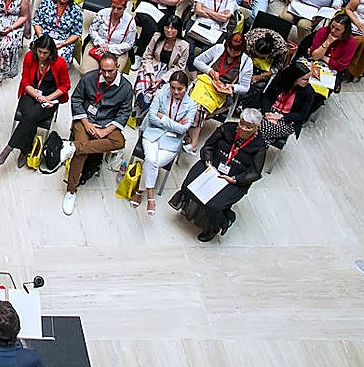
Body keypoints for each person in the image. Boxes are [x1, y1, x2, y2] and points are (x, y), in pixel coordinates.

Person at [170, 109, 267, 241]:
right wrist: (209, 164)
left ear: (257, 127)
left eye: (249, 127)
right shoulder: (227, 128)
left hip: (233, 179)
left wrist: (233, 180)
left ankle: (217, 225)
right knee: (188, 186)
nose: (243, 129)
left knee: (213, 205)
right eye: (241, 124)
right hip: (213, 167)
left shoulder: (259, 146)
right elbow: (208, 147)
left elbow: (255, 172)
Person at [62, 54, 132, 215]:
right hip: (86, 119)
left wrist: (105, 131)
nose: (106, 75)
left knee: (119, 142)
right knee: (81, 156)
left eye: (110, 71)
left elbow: (124, 113)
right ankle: (71, 191)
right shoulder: (89, 78)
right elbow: (76, 100)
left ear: (118, 68)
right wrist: (86, 122)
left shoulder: (126, 88)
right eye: (103, 71)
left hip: (107, 123)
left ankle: (73, 147)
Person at [0, 35, 70, 168]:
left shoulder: (60, 63)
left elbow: (65, 87)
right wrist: (36, 96)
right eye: (39, 51)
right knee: (30, 117)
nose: (42, 55)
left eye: (45, 53)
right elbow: (25, 81)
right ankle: (25, 150)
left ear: (51, 52)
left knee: (29, 116)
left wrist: (48, 98)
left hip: (50, 97)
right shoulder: (30, 57)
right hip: (31, 93)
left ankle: (9, 147)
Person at [131, 70, 198, 216]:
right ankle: (150, 198)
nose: (175, 92)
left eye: (180, 89)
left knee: (151, 162)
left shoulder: (191, 105)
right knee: (150, 160)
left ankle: (139, 191)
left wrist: (164, 119)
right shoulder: (161, 94)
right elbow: (152, 118)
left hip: (172, 142)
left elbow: (183, 129)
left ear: (186, 88)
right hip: (152, 134)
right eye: (173, 87)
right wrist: (175, 123)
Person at [187, 33, 254, 150]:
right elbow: (197, 61)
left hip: (222, 93)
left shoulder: (246, 63)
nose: (232, 53)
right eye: (230, 49)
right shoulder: (218, 49)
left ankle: (191, 139)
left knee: (199, 108)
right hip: (206, 82)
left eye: (236, 51)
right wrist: (210, 70)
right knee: (191, 104)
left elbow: (245, 87)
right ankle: (190, 138)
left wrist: (232, 87)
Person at [83, 0, 137, 74]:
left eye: (119, 9)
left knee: (110, 76)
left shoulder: (130, 22)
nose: (115, 11)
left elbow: (129, 44)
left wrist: (109, 48)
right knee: (86, 73)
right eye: (113, 7)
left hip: (117, 50)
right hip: (97, 45)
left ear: (124, 8)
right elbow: (92, 30)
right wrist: (101, 43)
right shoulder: (102, 13)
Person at [31, 0, 81, 65]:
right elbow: (37, 22)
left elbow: (76, 33)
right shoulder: (47, 2)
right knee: (38, 53)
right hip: (44, 36)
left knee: (60, 61)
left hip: (63, 40)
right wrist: (41, 36)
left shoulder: (76, 10)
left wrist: (64, 43)